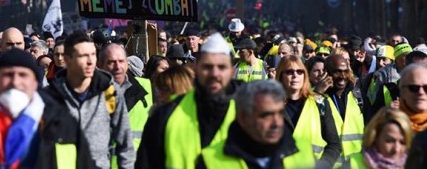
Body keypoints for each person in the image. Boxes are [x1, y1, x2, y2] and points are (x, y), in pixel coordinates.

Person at [136, 33, 239, 169]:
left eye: (222, 67)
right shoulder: (164, 116)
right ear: (196, 69)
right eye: (207, 67)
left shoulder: (249, 113)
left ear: (232, 71)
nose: (214, 74)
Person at [47, 32, 134, 169]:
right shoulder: (51, 96)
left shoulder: (110, 92)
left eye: (93, 55)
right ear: (67, 59)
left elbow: (125, 144)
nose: (90, 61)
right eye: (83, 56)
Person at [197, 80, 315, 169]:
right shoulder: (209, 160)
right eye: (266, 115)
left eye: (280, 113)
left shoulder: (304, 150)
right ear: (243, 117)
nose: (276, 123)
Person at [276, 55, 341, 167]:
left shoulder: (319, 103)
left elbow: (334, 144)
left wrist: (322, 165)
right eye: (289, 72)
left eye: (300, 72)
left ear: (304, 76)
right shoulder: (270, 105)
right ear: (281, 76)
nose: (295, 75)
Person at [325, 54, 365, 164]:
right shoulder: (316, 98)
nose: (342, 76)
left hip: (355, 164)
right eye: (337, 71)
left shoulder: (358, 96)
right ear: (327, 72)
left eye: (345, 71)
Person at [348, 108, 412, 169]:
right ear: (375, 138)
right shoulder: (350, 165)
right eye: (389, 141)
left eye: (403, 142)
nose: (396, 149)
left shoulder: (414, 165)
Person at [398, 64, 427, 132]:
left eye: (426, 88)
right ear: (402, 91)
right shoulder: (386, 124)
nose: (421, 92)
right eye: (414, 88)